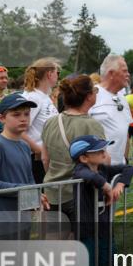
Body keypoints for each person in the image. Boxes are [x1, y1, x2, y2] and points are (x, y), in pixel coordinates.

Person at [70, 134, 133, 266]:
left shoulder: (103, 169)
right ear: (84, 157)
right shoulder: (79, 172)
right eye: (99, 151)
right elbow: (87, 176)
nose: (104, 153)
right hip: (87, 232)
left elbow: (128, 168)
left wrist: (120, 184)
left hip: (105, 230)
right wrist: (107, 187)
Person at [0, 93, 50, 235]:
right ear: (1, 118)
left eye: (26, 114)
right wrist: (27, 190)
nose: (23, 119)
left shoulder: (24, 145)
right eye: (16, 115)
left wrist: (34, 197)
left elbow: (28, 179)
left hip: (21, 219)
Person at [41, 75, 107, 225]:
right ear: (88, 96)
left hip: (52, 191)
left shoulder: (51, 121)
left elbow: (45, 158)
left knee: (55, 239)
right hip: (79, 193)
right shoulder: (91, 125)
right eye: (95, 90)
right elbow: (103, 160)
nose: (96, 93)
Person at [22, 57, 61, 184]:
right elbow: (19, 130)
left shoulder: (43, 96)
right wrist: (38, 150)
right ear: (49, 74)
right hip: (36, 159)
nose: (58, 76)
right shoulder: (33, 97)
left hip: (46, 156)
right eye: (57, 72)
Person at [89, 54, 133, 167]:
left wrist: (125, 160)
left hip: (119, 167)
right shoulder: (91, 95)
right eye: (124, 71)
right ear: (111, 73)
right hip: (97, 169)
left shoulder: (123, 98)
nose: (128, 75)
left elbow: (125, 133)